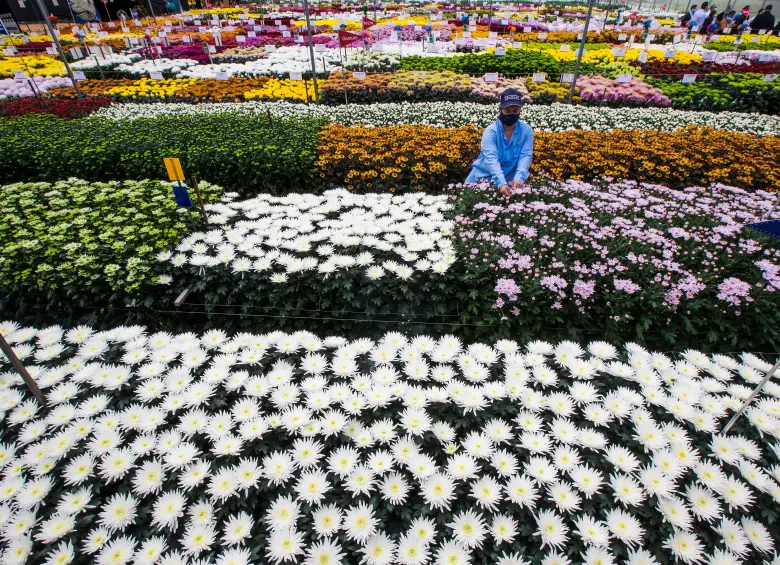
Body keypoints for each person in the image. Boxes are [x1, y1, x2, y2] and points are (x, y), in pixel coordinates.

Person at [465, 88, 534, 198]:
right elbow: (491, 158)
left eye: (515, 110)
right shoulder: (491, 131)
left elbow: (526, 155)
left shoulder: (527, 130)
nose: (511, 114)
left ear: (520, 110)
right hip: (482, 180)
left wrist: (519, 178)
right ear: (500, 109)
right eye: (507, 110)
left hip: (511, 183)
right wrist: (501, 183)